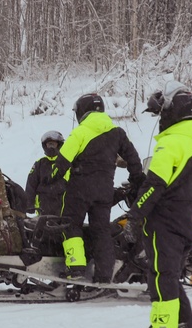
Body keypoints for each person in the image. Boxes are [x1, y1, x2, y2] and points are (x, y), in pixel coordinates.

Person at [122, 82, 192, 328]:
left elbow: (155, 185)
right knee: (170, 276)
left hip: (165, 220)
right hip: (187, 218)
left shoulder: (170, 144)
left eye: (161, 113)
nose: (160, 119)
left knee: (161, 277)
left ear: (173, 111)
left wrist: (136, 216)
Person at [53, 93, 146, 283]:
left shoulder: (80, 132)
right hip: (104, 190)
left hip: (79, 188)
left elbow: (61, 162)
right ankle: (104, 275)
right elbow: (133, 158)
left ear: (82, 111)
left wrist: (53, 179)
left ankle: (76, 267)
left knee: (71, 224)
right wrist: (136, 179)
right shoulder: (117, 132)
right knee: (101, 230)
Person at [25, 130, 66, 216]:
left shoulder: (65, 162)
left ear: (59, 145)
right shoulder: (39, 164)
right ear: (45, 146)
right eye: (49, 144)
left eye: (53, 144)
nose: (51, 147)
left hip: (62, 204)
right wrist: (29, 204)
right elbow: (31, 184)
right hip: (43, 204)